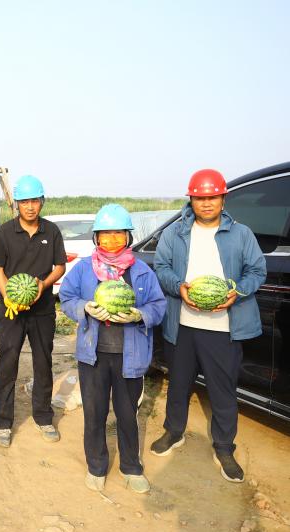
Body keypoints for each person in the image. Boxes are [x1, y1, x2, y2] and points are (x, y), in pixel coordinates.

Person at [151, 169, 266, 483]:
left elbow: (257, 271)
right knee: (178, 385)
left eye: (212, 197)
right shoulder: (175, 233)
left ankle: (224, 447)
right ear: (191, 199)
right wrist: (179, 287)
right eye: (200, 198)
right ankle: (174, 431)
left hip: (223, 328)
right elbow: (161, 267)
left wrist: (237, 292)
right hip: (182, 325)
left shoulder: (241, 234)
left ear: (223, 198)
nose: (206, 203)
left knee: (223, 390)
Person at [59, 204, 165, 494]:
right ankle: (96, 466)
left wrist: (140, 315)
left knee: (127, 413)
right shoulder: (83, 268)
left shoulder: (141, 271)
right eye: (105, 235)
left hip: (130, 356)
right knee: (94, 413)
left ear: (128, 237)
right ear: (96, 238)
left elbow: (158, 305)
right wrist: (84, 307)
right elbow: (66, 297)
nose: (112, 240)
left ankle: (130, 466)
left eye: (118, 234)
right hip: (92, 355)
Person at [0, 175, 66, 447]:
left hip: (42, 309)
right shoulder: (4, 232)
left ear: (42, 202)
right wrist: (9, 296)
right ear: (16, 204)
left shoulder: (51, 232)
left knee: (43, 362)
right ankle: (3, 422)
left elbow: (60, 266)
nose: (30, 206)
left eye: (34, 201)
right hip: (11, 311)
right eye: (24, 202)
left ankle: (43, 417)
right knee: (7, 363)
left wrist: (42, 285)